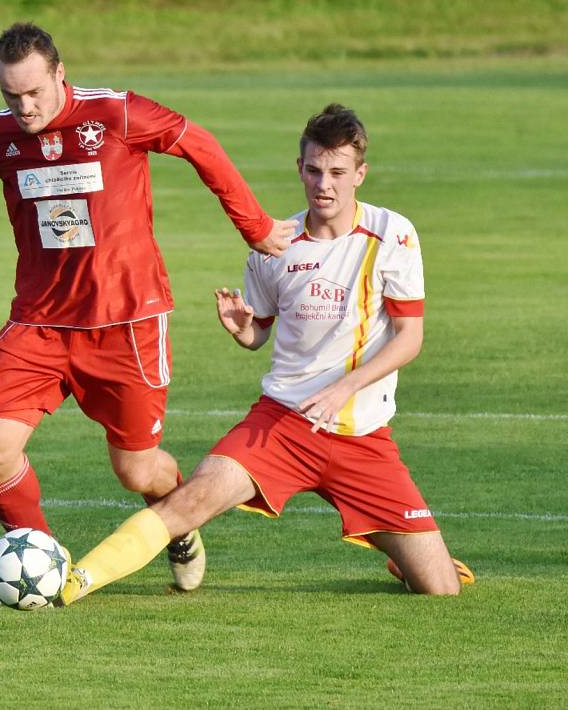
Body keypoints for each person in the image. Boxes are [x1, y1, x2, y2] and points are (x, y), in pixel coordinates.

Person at [0, 22, 296, 598]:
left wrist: (257, 226)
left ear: (59, 73)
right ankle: (42, 564)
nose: (24, 107)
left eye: (35, 92)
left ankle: (180, 528)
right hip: (39, 323)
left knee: (137, 472)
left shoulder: (115, 115)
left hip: (127, 324)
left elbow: (200, 144)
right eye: (10, 95)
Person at [58, 103, 475, 606]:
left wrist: (343, 388)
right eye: (315, 170)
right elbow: (261, 335)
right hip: (282, 424)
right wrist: (243, 330)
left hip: (362, 437)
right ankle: (72, 583)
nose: (326, 183)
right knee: (190, 502)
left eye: (339, 172)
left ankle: (400, 552)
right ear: (299, 168)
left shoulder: (393, 234)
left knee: (441, 589)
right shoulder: (272, 244)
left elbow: (409, 336)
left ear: (360, 174)